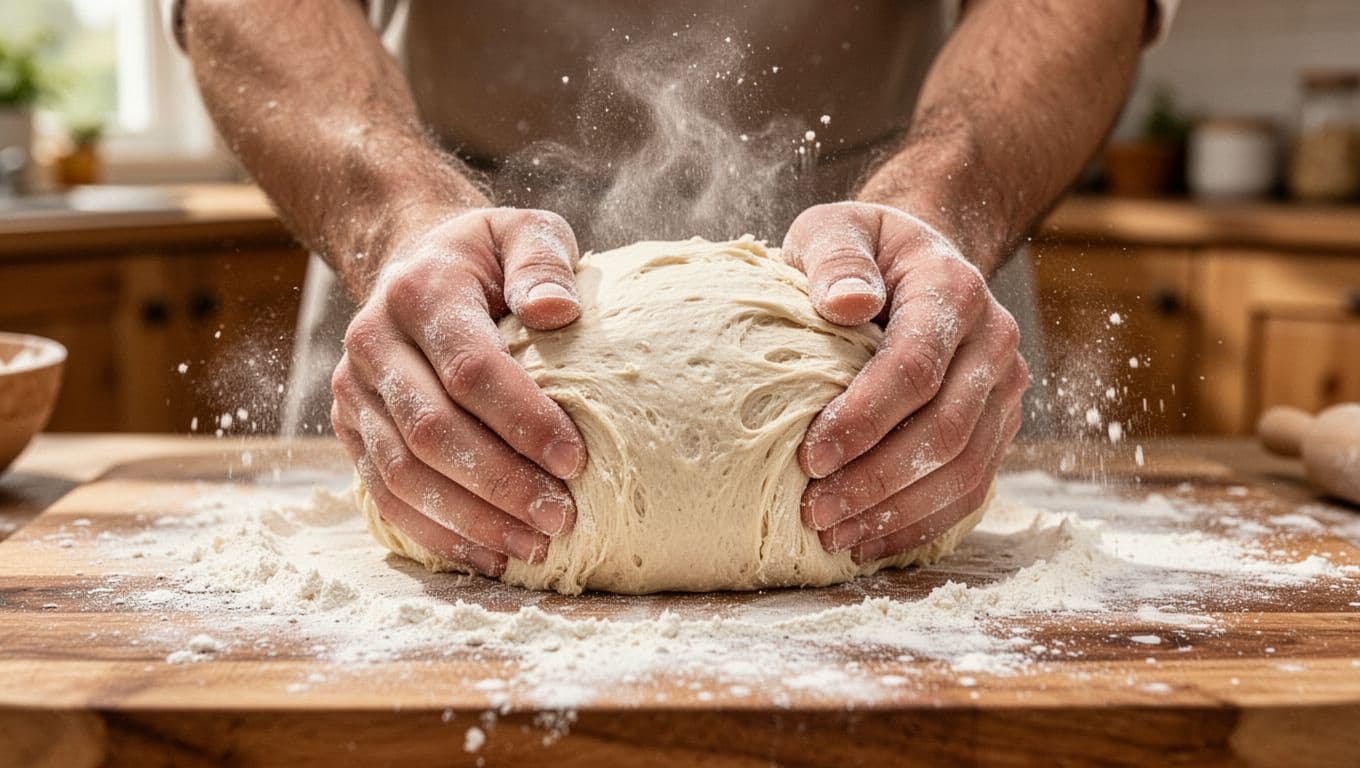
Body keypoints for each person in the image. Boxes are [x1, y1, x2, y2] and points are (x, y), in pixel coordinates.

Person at [172, 1, 1175, 578]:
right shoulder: (419, 242)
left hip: (889, 273)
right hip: (444, 279)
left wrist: (941, 205)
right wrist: (397, 213)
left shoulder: (918, 240)